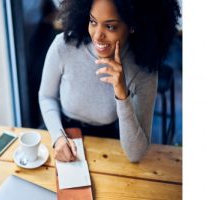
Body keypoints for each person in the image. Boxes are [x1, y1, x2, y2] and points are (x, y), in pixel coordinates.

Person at [38, 0, 181, 163]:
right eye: (93, 22)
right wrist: (58, 137)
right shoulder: (64, 46)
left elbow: (136, 154)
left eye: (110, 26)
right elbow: (46, 96)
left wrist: (122, 93)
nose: (97, 35)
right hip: (60, 129)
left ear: (133, 25)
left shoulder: (142, 69)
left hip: (107, 140)